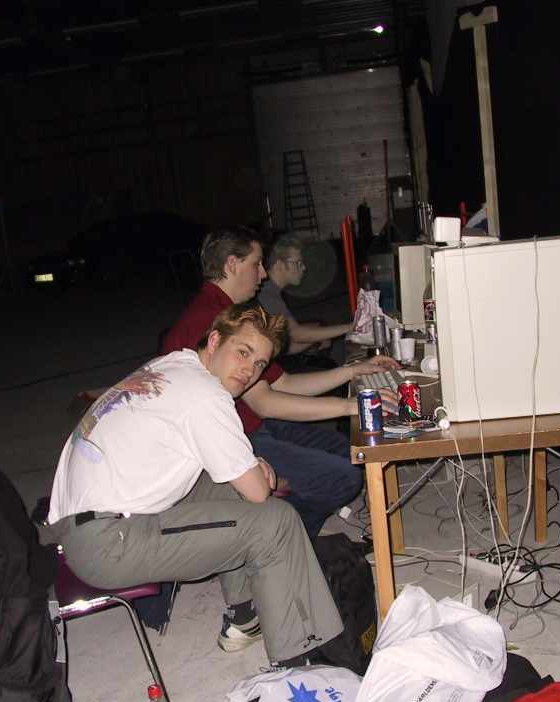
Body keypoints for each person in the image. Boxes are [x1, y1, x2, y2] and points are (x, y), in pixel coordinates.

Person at [46, 304, 343, 668]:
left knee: (234, 490)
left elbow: (242, 480)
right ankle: (300, 658)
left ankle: (244, 617)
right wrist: (256, 470)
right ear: (215, 340)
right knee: (276, 521)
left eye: (260, 363)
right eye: (243, 352)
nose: (249, 371)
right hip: (108, 543)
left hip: (89, 522)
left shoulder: (172, 365)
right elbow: (257, 491)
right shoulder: (205, 394)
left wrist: (250, 467)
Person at [161, 224, 399, 538]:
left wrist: (354, 371)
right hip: (233, 436)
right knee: (342, 477)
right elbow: (267, 403)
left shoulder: (229, 313)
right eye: (256, 263)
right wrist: (348, 405)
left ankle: (284, 517)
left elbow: (283, 384)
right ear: (232, 264)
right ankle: (279, 539)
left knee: (349, 448)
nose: (263, 273)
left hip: (253, 423)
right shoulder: (212, 320)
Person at [258, 233, 355, 356]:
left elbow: (287, 348)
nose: (303, 268)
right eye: (298, 263)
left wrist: (317, 337)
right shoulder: (266, 294)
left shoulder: (269, 289)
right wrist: (352, 327)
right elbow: (297, 335)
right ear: (280, 265)